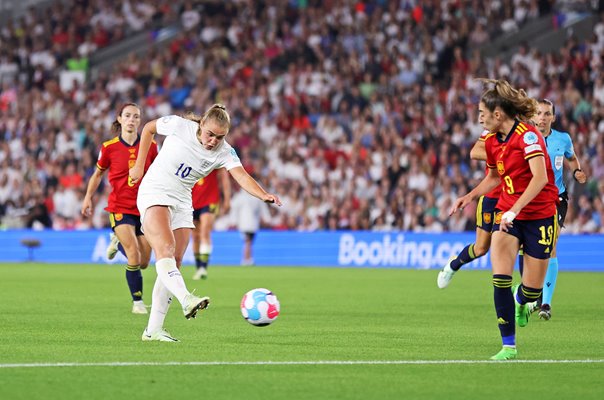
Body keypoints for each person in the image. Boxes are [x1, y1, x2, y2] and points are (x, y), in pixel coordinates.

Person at [129, 103, 281, 342]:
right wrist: (139, 165)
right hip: (155, 190)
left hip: (183, 200)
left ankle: (153, 330)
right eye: (210, 134)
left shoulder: (225, 151)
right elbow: (148, 128)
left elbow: (241, 175)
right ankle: (187, 299)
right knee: (165, 249)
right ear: (201, 125)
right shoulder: (180, 126)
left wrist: (263, 194)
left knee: (175, 261)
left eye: (220, 137)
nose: (213, 141)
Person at [450, 79, 558, 360]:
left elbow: (540, 178)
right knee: (500, 278)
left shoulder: (528, 136)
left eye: (482, 114)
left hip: (540, 215)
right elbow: (495, 177)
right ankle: (508, 346)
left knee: (532, 291)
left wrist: (516, 209)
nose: (479, 119)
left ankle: (524, 301)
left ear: (498, 115)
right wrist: (470, 196)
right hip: (509, 214)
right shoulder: (493, 142)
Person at [81, 103, 158, 315]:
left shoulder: (150, 146)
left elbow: (158, 173)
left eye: (136, 116)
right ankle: (138, 302)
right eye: (128, 116)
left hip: (144, 208)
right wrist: (88, 197)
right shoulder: (109, 147)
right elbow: (97, 175)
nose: (132, 120)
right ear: (120, 119)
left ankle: (117, 242)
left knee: (143, 262)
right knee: (133, 255)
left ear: (140, 121)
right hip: (119, 207)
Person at [523, 98, 587, 320]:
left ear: (553, 117)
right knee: (529, 249)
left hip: (555, 198)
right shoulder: (526, 138)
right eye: (539, 113)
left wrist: (577, 171)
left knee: (551, 245)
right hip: (530, 198)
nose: (542, 117)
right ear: (533, 116)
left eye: (546, 113)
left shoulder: (563, 139)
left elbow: (571, 157)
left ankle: (545, 303)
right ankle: (531, 294)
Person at [437, 129, 501, 288]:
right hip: (491, 197)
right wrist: (504, 154)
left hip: (513, 199)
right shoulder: (493, 129)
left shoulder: (525, 133)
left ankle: (530, 296)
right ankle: (454, 264)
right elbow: (475, 151)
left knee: (506, 246)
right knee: (480, 249)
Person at [191, 168, 231, 280]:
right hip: (191, 201)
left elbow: (224, 177)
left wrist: (227, 199)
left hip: (210, 199)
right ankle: (199, 267)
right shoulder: (189, 153)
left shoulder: (212, 154)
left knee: (205, 232)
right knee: (195, 236)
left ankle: (203, 267)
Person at [230, 186, 271, 266]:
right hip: (252, 224)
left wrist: (233, 221)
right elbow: (263, 209)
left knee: (248, 241)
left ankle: (247, 259)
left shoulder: (239, 197)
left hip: (244, 224)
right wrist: (267, 219)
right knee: (248, 241)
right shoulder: (256, 197)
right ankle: (247, 259)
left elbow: (234, 209)